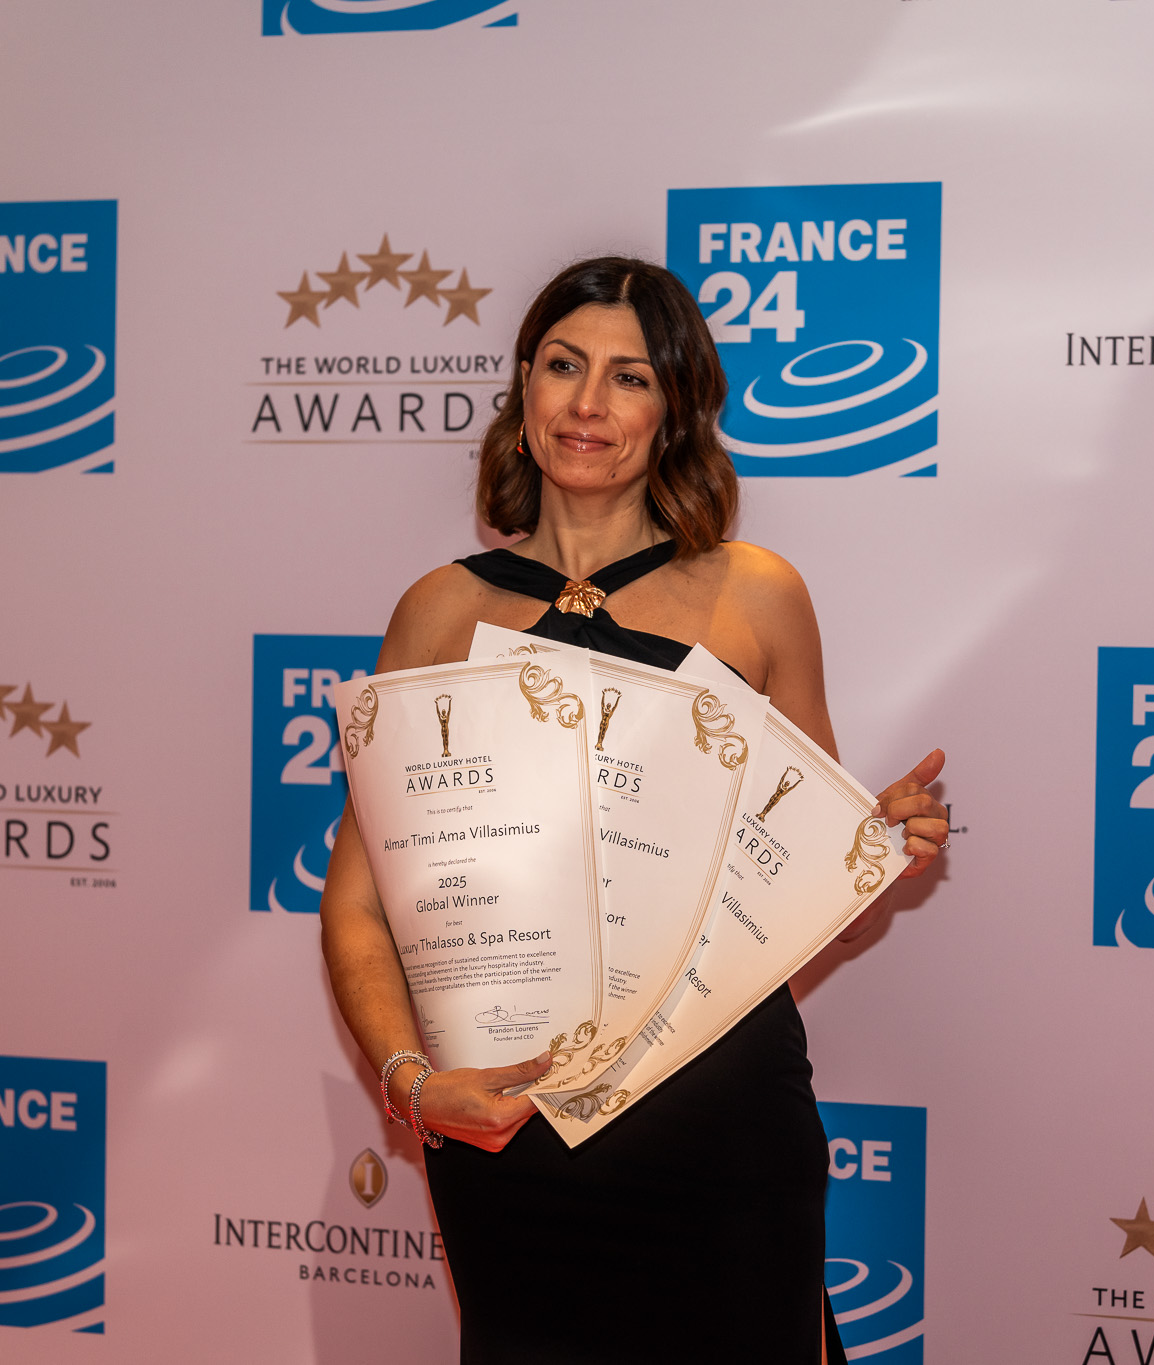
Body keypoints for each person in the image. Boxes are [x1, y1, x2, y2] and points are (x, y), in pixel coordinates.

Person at [317, 256, 949, 1364]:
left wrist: (869, 851)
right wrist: (412, 1084)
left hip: (722, 1135)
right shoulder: (435, 614)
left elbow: (821, 911)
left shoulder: (756, 596)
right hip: (510, 1139)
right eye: (564, 366)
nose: (589, 404)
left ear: (674, 413)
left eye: (630, 377)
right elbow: (359, 903)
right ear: (524, 391)